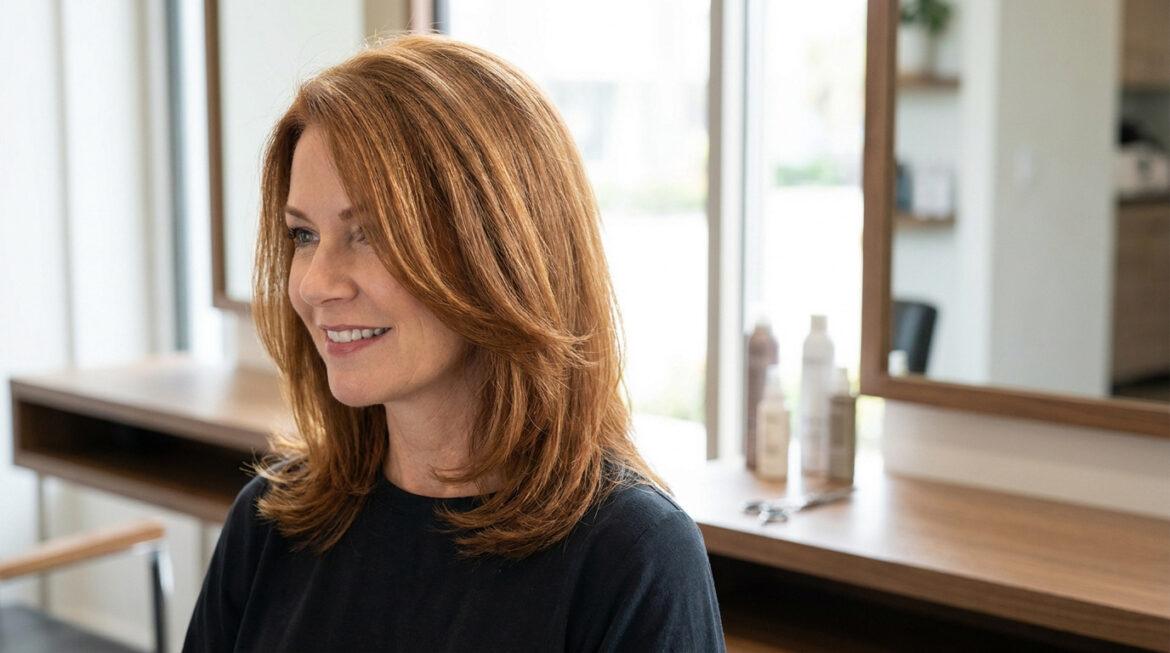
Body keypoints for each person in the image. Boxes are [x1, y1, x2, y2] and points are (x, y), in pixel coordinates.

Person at [182, 32, 725, 652]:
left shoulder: (631, 556)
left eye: (371, 233)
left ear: (499, 254)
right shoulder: (270, 523)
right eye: (304, 236)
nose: (315, 284)